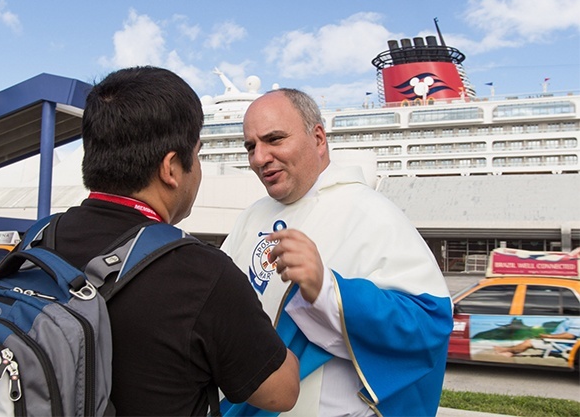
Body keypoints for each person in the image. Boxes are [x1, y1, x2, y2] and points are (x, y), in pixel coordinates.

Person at [39, 67, 299, 416]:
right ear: (171, 168)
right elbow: (281, 393)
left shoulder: (37, 240)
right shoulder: (201, 275)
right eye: (198, 153)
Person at [220, 88, 453, 416]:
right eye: (251, 146)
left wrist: (327, 290)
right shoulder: (251, 215)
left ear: (317, 138)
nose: (259, 158)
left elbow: (428, 324)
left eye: (274, 139)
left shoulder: (371, 213)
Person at [494, 318, 580, 358]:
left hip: (557, 344)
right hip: (554, 341)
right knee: (528, 341)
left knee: (528, 343)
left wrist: (549, 336)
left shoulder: (577, 321)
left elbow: (570, 336)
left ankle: (505, 350)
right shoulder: (575, 319)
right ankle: (509, 353)